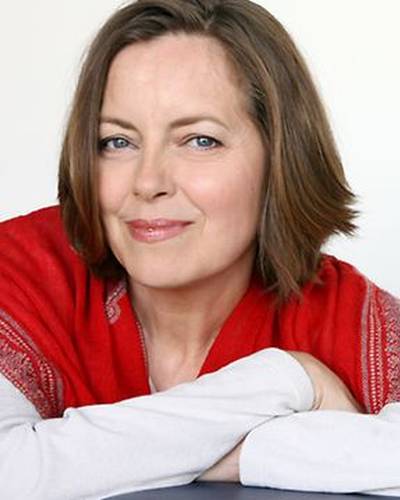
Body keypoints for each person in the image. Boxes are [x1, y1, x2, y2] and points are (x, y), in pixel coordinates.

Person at [0, 0, 399, 498]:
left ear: (280, 156)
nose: (148, 182)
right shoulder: (24, 272)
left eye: (200, 140)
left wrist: (231, 456)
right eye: (117, 142)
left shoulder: (352, 319)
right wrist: (288, 380)